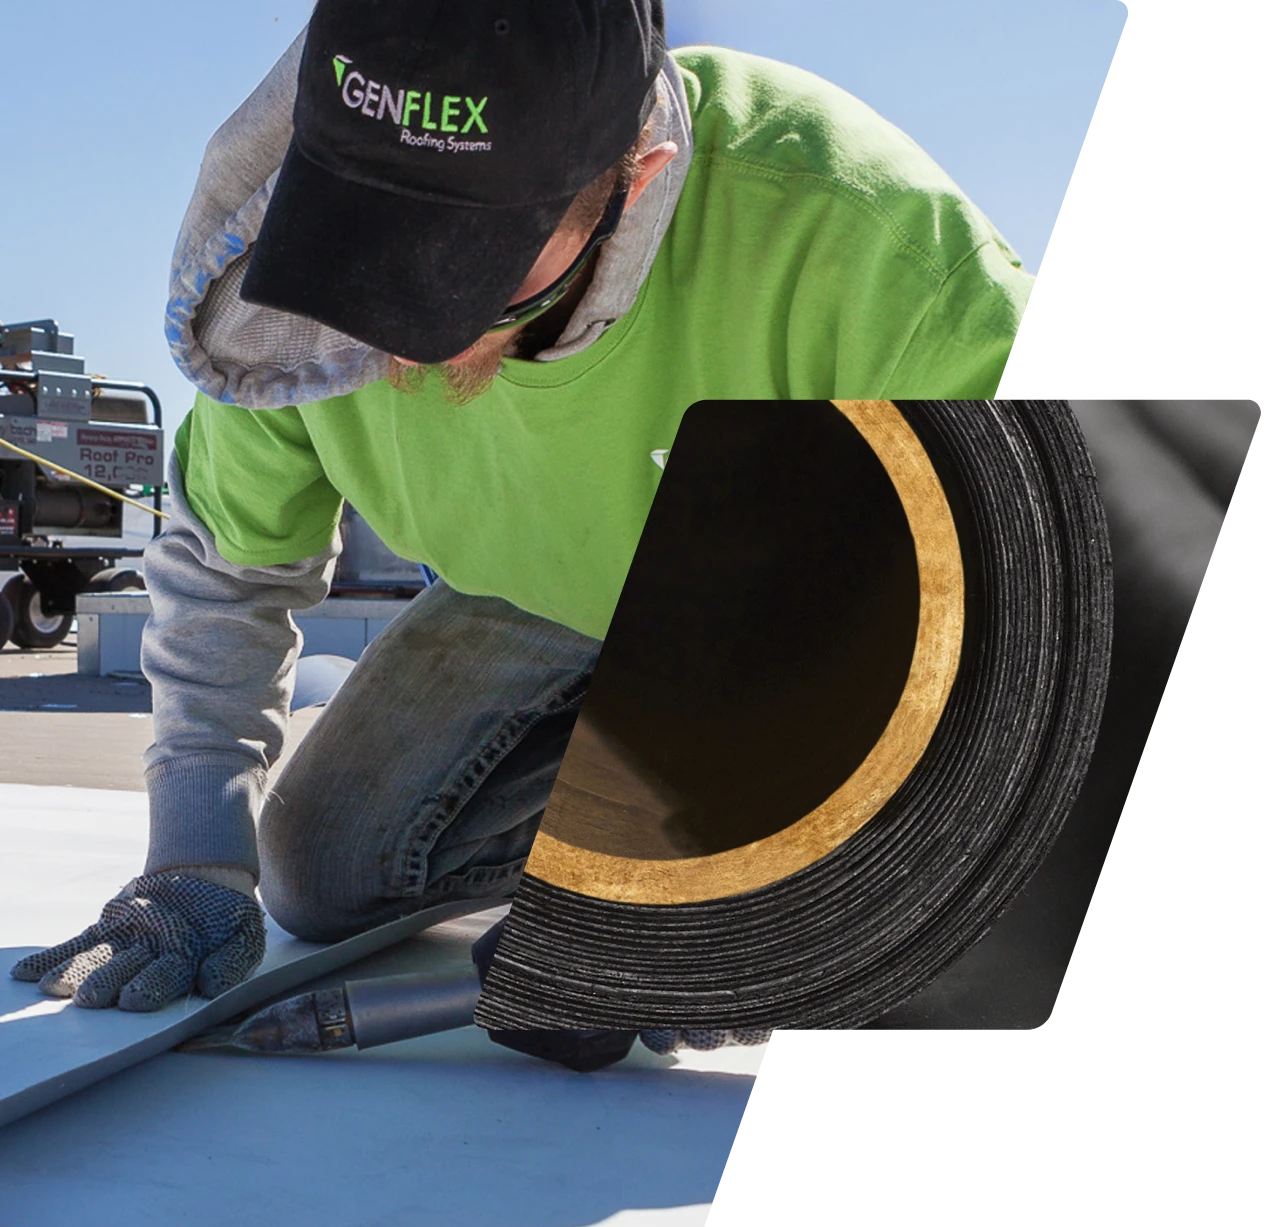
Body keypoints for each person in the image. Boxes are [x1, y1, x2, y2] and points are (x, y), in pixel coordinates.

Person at [10, 0, 1034, 1049]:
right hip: (544, 601)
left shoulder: (859, 237)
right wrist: (192, 859)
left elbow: (1042, 627)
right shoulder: (285, 303)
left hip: (805, 631)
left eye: (471, 259)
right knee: (320, 871)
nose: (400, 327)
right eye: (373, 235)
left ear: (636, 178)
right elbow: (230, 574)